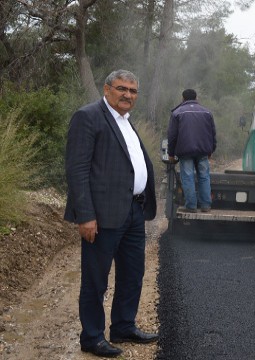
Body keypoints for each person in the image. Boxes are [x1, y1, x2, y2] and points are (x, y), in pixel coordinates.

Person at [64, 69, 158, 358]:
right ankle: (92, 337)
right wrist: (86, 215)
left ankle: (123, 326)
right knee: (96, 278)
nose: (127, 94)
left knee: (133, 273)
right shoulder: (88, 116)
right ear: (107, 90)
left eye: (132, 90)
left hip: (133, 211)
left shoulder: (125, 122)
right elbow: (77, 170)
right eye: (121, 89)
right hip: (102, 215)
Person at [167, 89, 217, 213]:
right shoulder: (207, 112)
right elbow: (213, 133)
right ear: (197, 98)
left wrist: (171, 153)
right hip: (203, 151)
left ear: (183, 98)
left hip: (185, 151)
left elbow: (172, 136)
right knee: (204, 177)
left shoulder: (177, 113)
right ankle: (205, 205)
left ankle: (191, 206)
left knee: (188, 177)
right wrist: (211, 149)